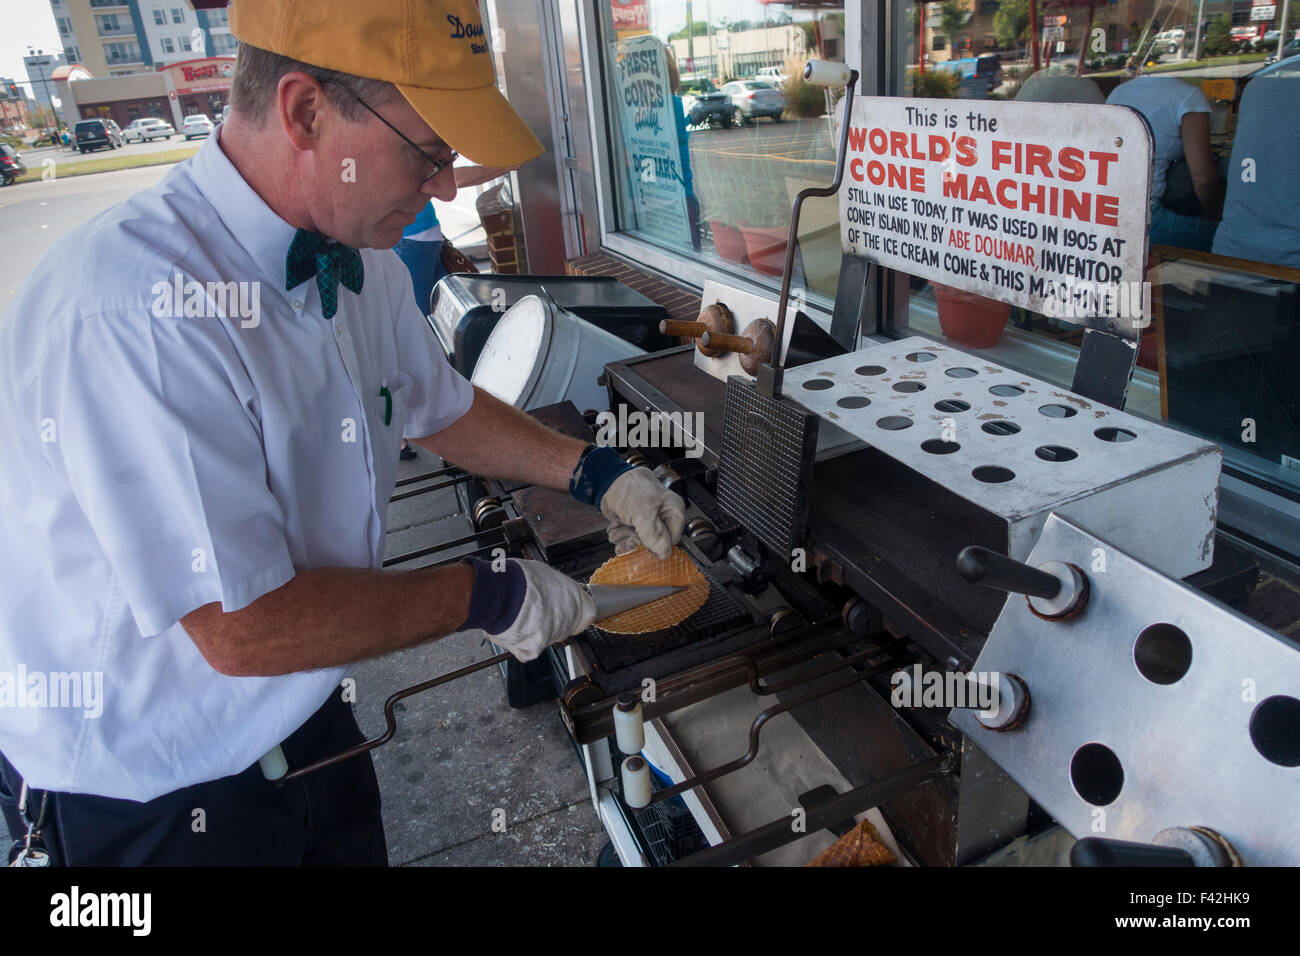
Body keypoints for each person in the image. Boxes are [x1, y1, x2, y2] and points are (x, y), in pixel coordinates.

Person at [0, 0, 685, 866]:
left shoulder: (359, 262)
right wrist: (490, 594)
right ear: (304, 111)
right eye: (429, 153)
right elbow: (243, 628)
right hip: (163, 792)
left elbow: (441, 405)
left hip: (312, 713)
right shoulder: (134, 311)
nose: (445, 187)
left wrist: (598, 474)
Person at [1106, 72, 1222, 251]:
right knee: (1228, 238)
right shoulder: (1188, 96)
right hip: (1145, 221)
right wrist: (1215, 214)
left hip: (1107, 214)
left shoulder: (1118, 92)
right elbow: (1203, 179)